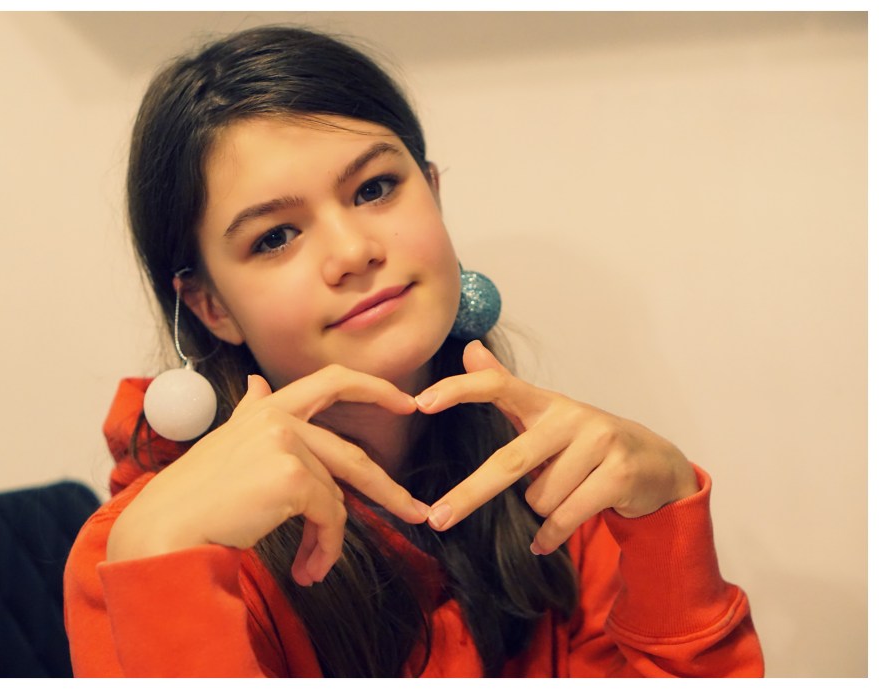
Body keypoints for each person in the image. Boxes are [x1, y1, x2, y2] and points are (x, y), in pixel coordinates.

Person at [63, 25, 764, 678]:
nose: (353, 251)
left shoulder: (553, 481)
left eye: (374, 189)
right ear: (210, 306)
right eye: (275, 236)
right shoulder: (146, 548)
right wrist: (164, 568)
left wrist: (668, 517)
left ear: (432, 191)